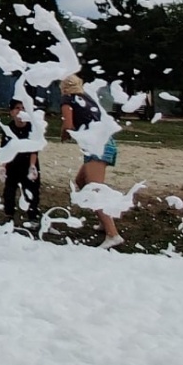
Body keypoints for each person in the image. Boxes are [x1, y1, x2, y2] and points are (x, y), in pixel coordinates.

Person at [60, 74, 124, 249]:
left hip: (97, 147)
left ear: (64, 88)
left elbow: (68, 125)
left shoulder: (67, 99)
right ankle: (104, 223)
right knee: (82, 181)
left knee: (94, 190)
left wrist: (63, 135)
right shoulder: (86, 97)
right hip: (106, 144)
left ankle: (113, 234)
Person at [2, 98, 41, 223]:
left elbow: (34, 149)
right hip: (13, 164)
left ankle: (32, 217)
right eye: (17, 108)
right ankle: (9, 216)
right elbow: (5, 148)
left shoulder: (32, 128)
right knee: (9, 190)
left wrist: (32, 166)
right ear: (12, 112)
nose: (20, 111)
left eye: (24, 108)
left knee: (31, 191)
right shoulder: (8, 128)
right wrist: (2, 166)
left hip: (29, 162)